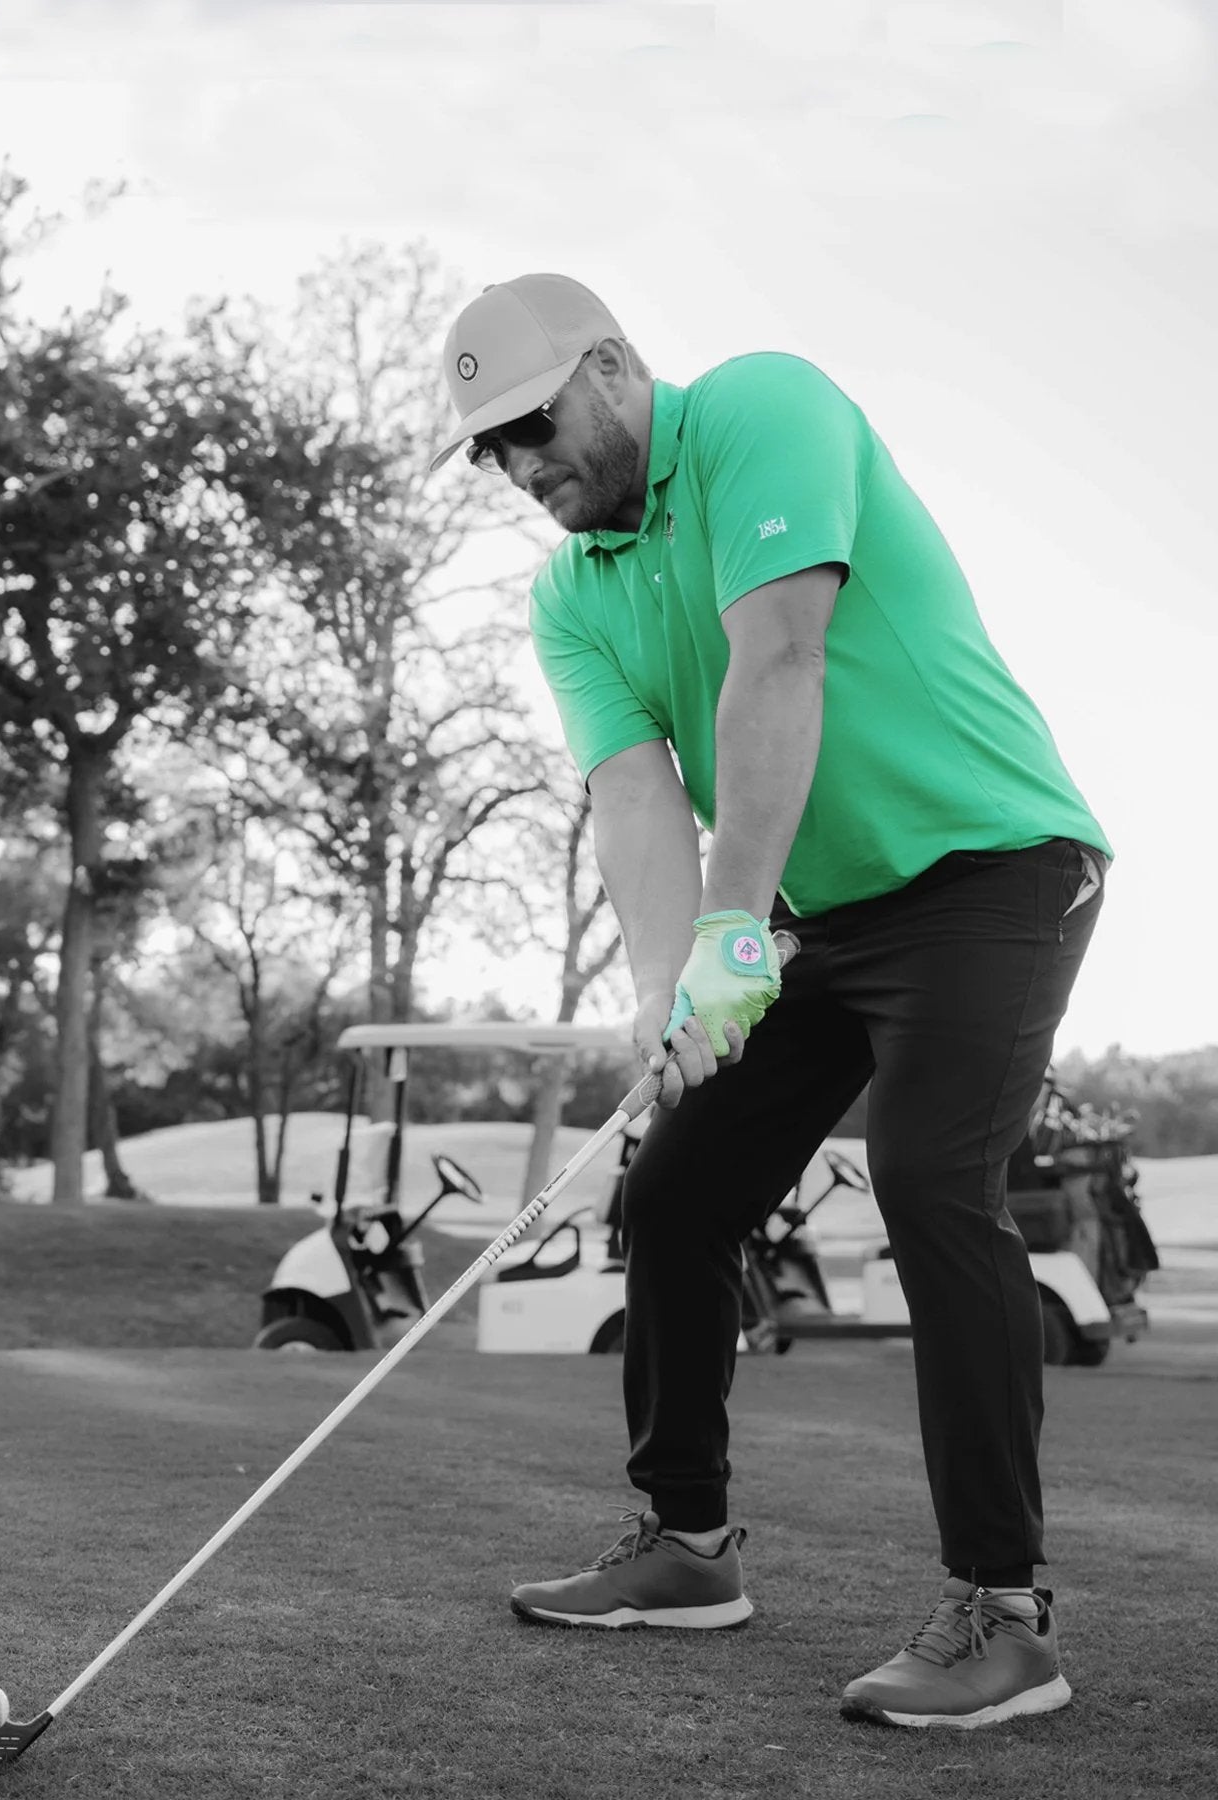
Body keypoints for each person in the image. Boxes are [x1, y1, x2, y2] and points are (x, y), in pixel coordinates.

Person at [427, 273, 1107, 1730]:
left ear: (612, 370)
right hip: (822, 920)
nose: (520, 467)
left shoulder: (762, 410)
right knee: (675, 1190)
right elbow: (631, 793)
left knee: (933, 1181)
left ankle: (1005, 1615)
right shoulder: (571, 594)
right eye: (490, 449)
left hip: (994, 867)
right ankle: (688, 1546)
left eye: (532, 426)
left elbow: (779, 661)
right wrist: (676, 994)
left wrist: (732, 938)